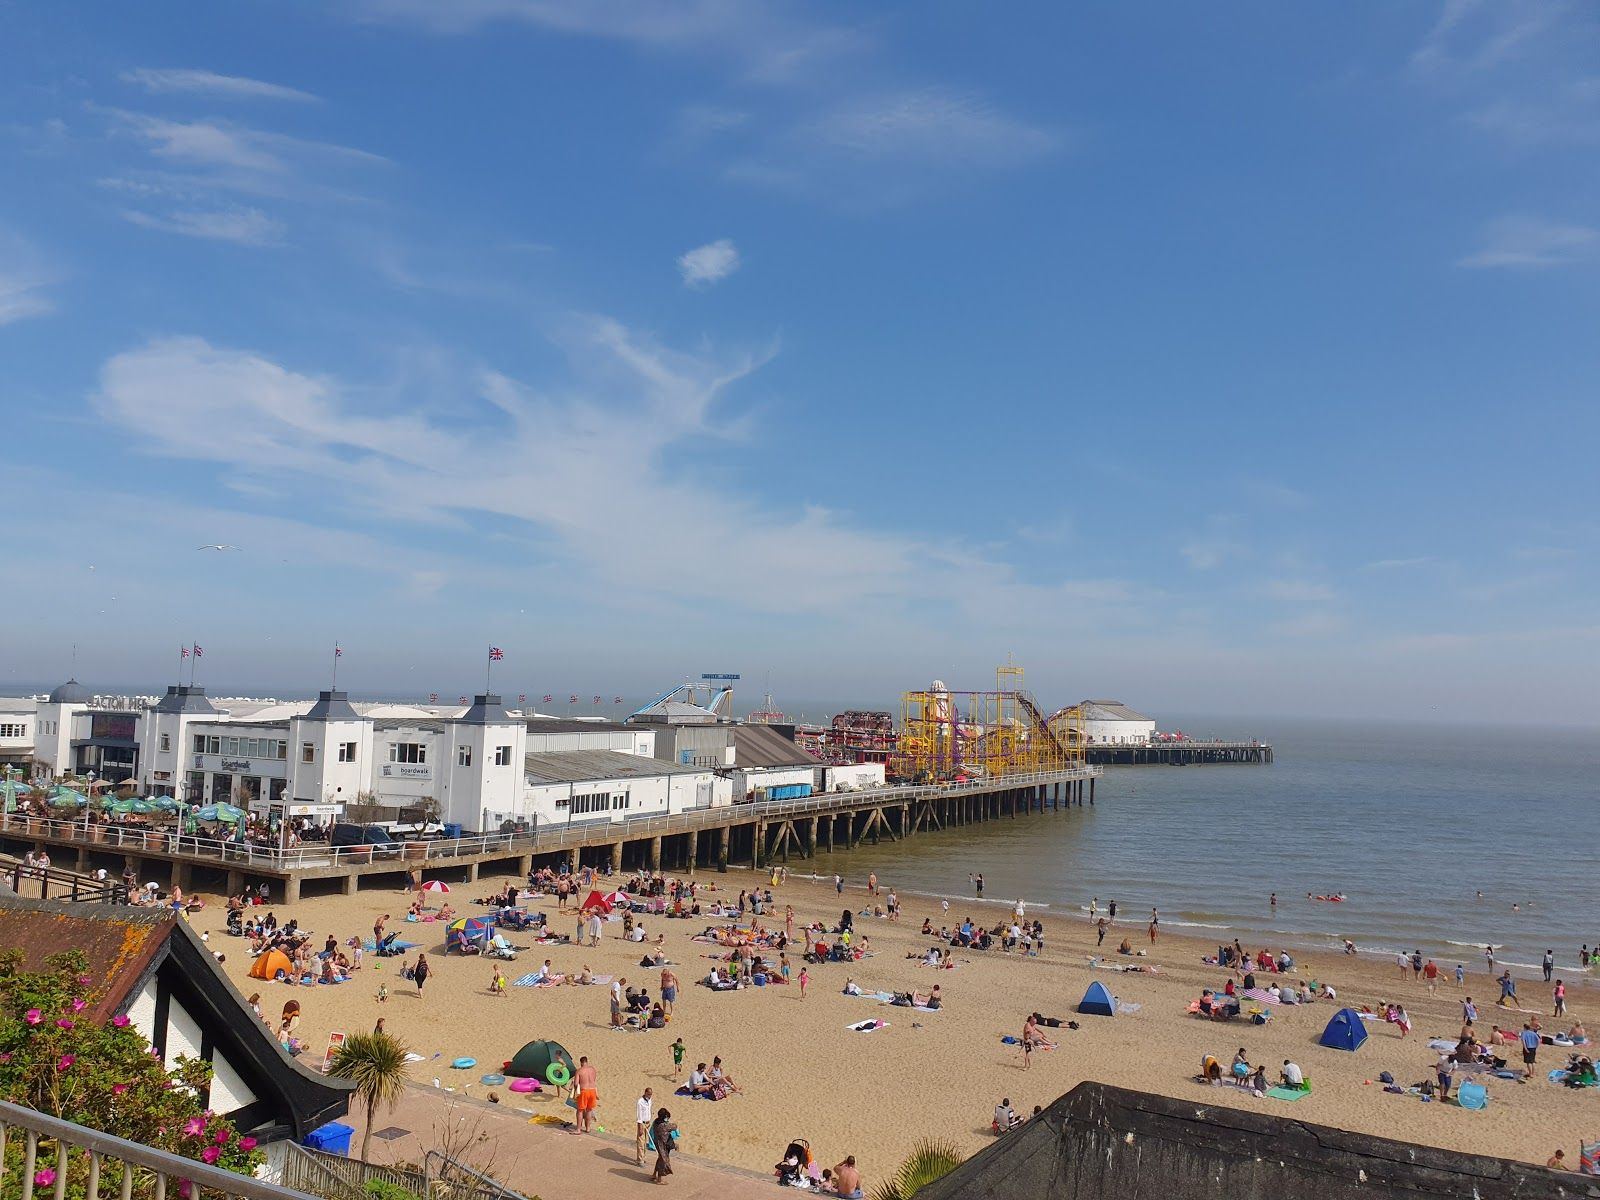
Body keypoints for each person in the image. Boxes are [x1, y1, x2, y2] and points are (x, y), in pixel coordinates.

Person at [650, 1109, 676, 1184]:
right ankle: (659, 1179)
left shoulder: (656, 1122)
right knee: (663, 1160)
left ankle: (654, 1175)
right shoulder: (663, 1125)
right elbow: (674, 1126)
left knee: (660, 1158)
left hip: (657, 1142)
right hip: (662, 1145)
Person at [573, 1056, 599, 1133]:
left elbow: (576, 1083)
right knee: (589, 1109)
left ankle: (578, 1129)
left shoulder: (579, 1071)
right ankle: (588, 1128)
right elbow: (593, 1080)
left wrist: (575, 1090)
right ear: (587, 1062)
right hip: (592, 1090)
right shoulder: (593, 1069)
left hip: (584, 1091)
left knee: (580, 1110)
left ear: (581, 1062)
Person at [635, 1086, 654, 1167]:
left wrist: (649, 1120)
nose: (650, 1096)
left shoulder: (650, 1101)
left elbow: (649, 1111)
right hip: (642, 1123)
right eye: (648, 1094)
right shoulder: (640, 1102)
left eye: (651, 1094)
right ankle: (640, 1160)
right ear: (645, 1093)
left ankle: (643, 1157)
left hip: (647, 1123)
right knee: (641, 1142)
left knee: (645, 1141)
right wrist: (640, 1127)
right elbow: (639, 1116)